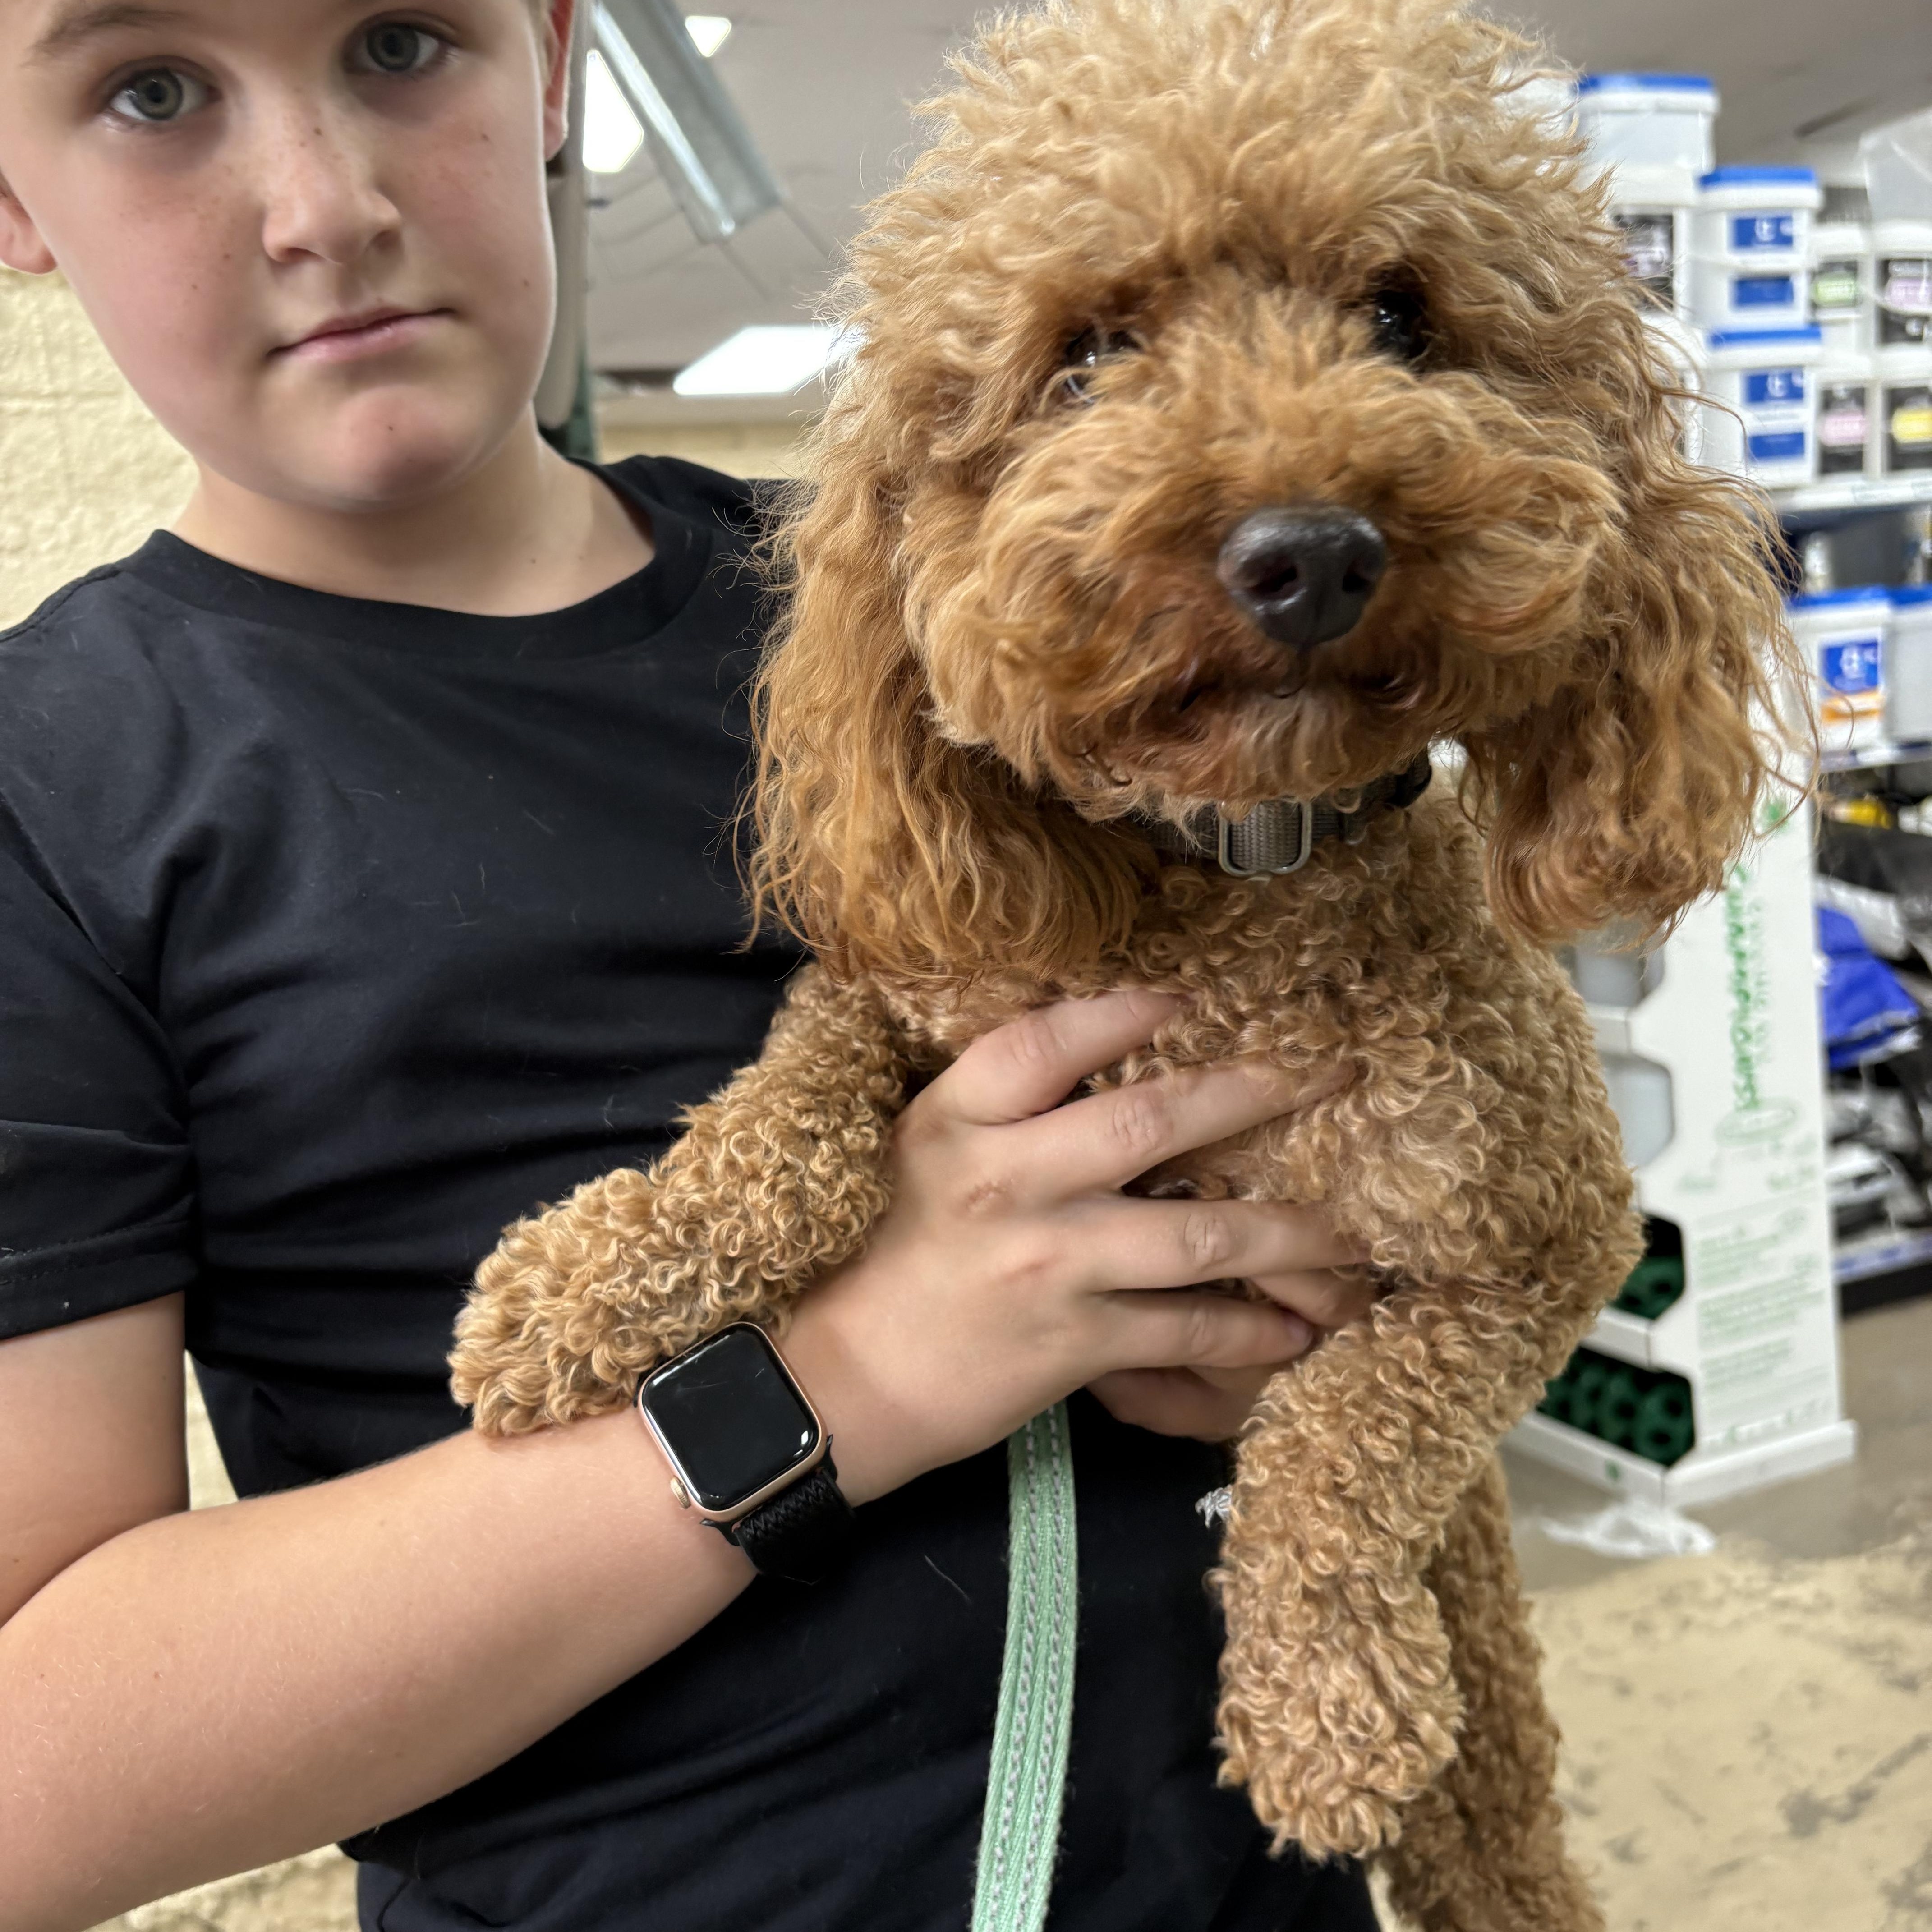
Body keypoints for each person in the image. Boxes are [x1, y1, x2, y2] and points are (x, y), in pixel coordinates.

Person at [0, 3, 1382, 1927]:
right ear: (9, 189)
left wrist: (1285, 1307)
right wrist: (846, 1375)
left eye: (403, 43)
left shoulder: (943, 607)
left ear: (552, 60)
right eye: (152, 93)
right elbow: (29, 1779)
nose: (324, 204)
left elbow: (1288, 1096)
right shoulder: (48, 799)